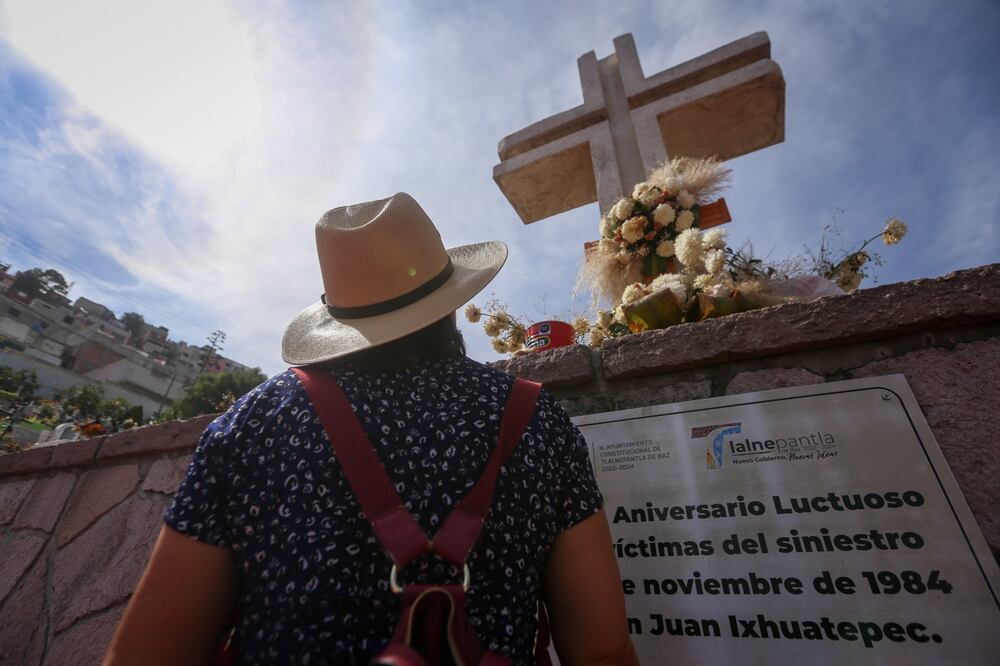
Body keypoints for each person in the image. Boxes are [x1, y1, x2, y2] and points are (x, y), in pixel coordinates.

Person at [105, 193, 637, 665]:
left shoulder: (251, 425)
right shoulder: (535, 420)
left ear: (339, 321)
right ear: (449, 304)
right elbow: (602, 651)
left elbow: (152, 652)